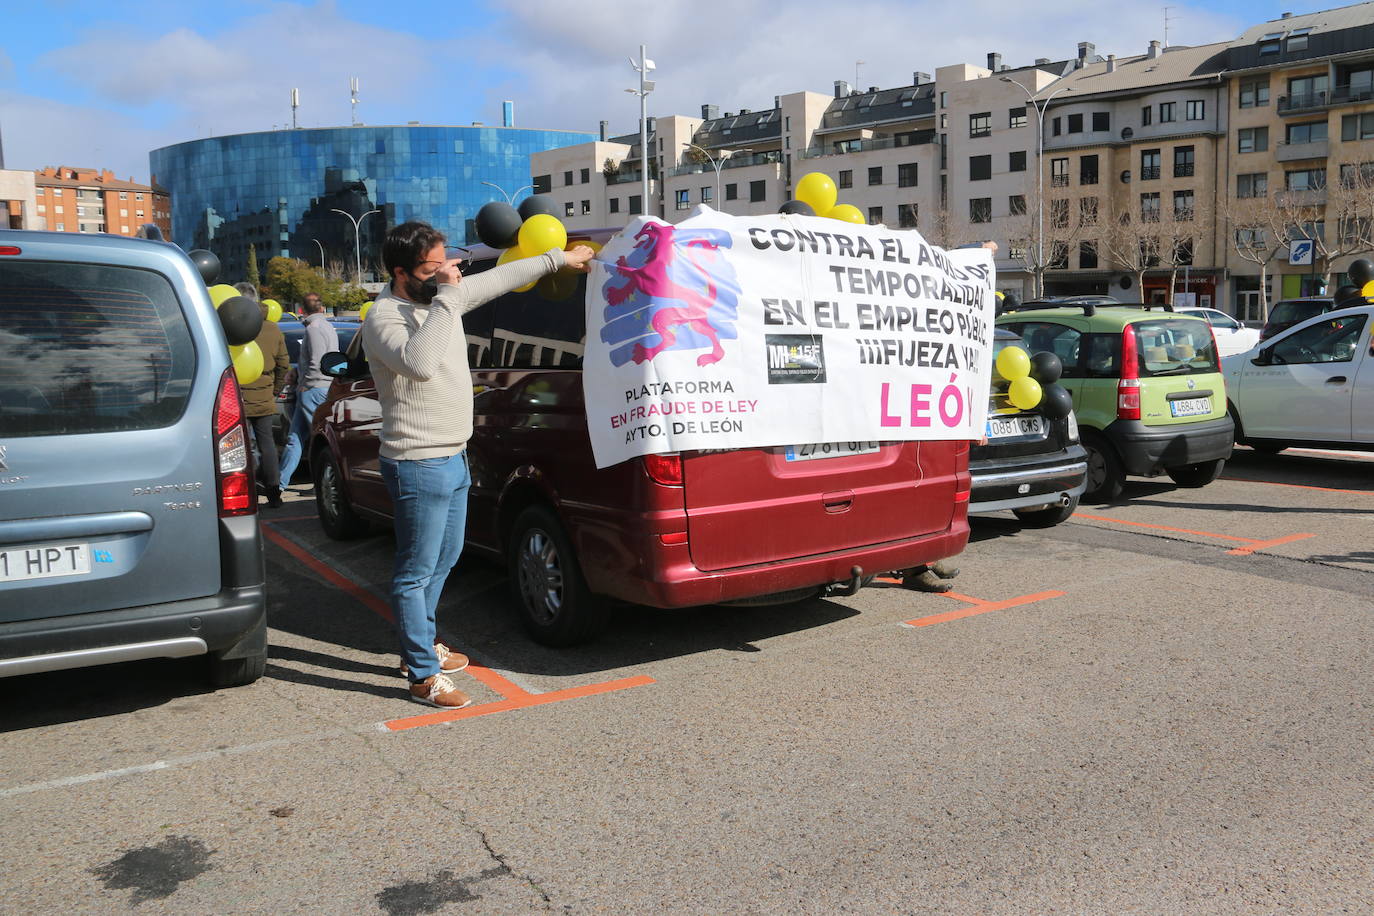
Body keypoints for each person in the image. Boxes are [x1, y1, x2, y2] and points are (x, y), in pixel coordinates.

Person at [363, 221, 594, 708]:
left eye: (449, 262)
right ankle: (422, 675)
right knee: (415, 571)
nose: (447, 272)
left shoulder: (439, 299)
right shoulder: (384, 317)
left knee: (444, 560)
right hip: (416, 463)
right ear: (402, 272)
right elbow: (420, 363)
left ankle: (420, 646)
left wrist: (560, 260)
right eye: (434, 268)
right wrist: (448, 296)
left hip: (453, 455)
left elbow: (499, 279)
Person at [235, 286, 291, 507]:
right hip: (265, 394)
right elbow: (283, 363)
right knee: (267, 444)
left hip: (236, 397)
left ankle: (244, 492)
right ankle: (274, 492)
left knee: (239, 447)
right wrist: (274, 389)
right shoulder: (272, 328)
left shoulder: (230, 327)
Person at [277, 293, 339, 488]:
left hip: (314, 388)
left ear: (301, 310)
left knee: (320, 438)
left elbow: (317, 361)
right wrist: (297, 372)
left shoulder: (314, 329)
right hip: (321, 386)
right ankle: (280, 482)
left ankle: (323, 483)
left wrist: (305, 383)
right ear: (322, 308)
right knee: (295, 438)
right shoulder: (327, 326)